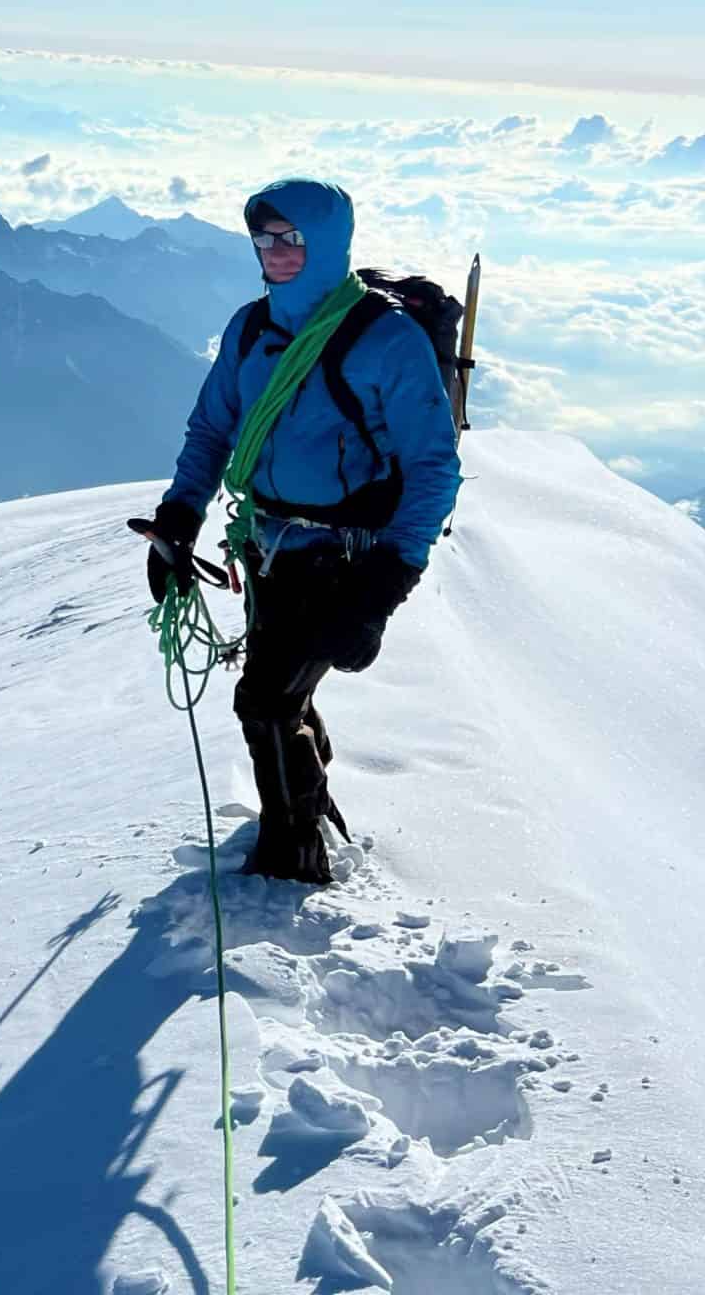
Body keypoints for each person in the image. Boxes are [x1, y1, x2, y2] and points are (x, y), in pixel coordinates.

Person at [144, 178, 461, 884]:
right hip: (268, 547)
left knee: (264, 701)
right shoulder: (252, 328)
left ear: (327, 243)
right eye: (265, 238)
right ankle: (309, 811)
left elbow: (435, 470)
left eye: (292, 239)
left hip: (346, 559)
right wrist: (179, 516)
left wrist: (382, 589)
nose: (276, 252)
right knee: (285, 696)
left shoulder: (387, 341)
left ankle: (292, 863)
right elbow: (213, 428)